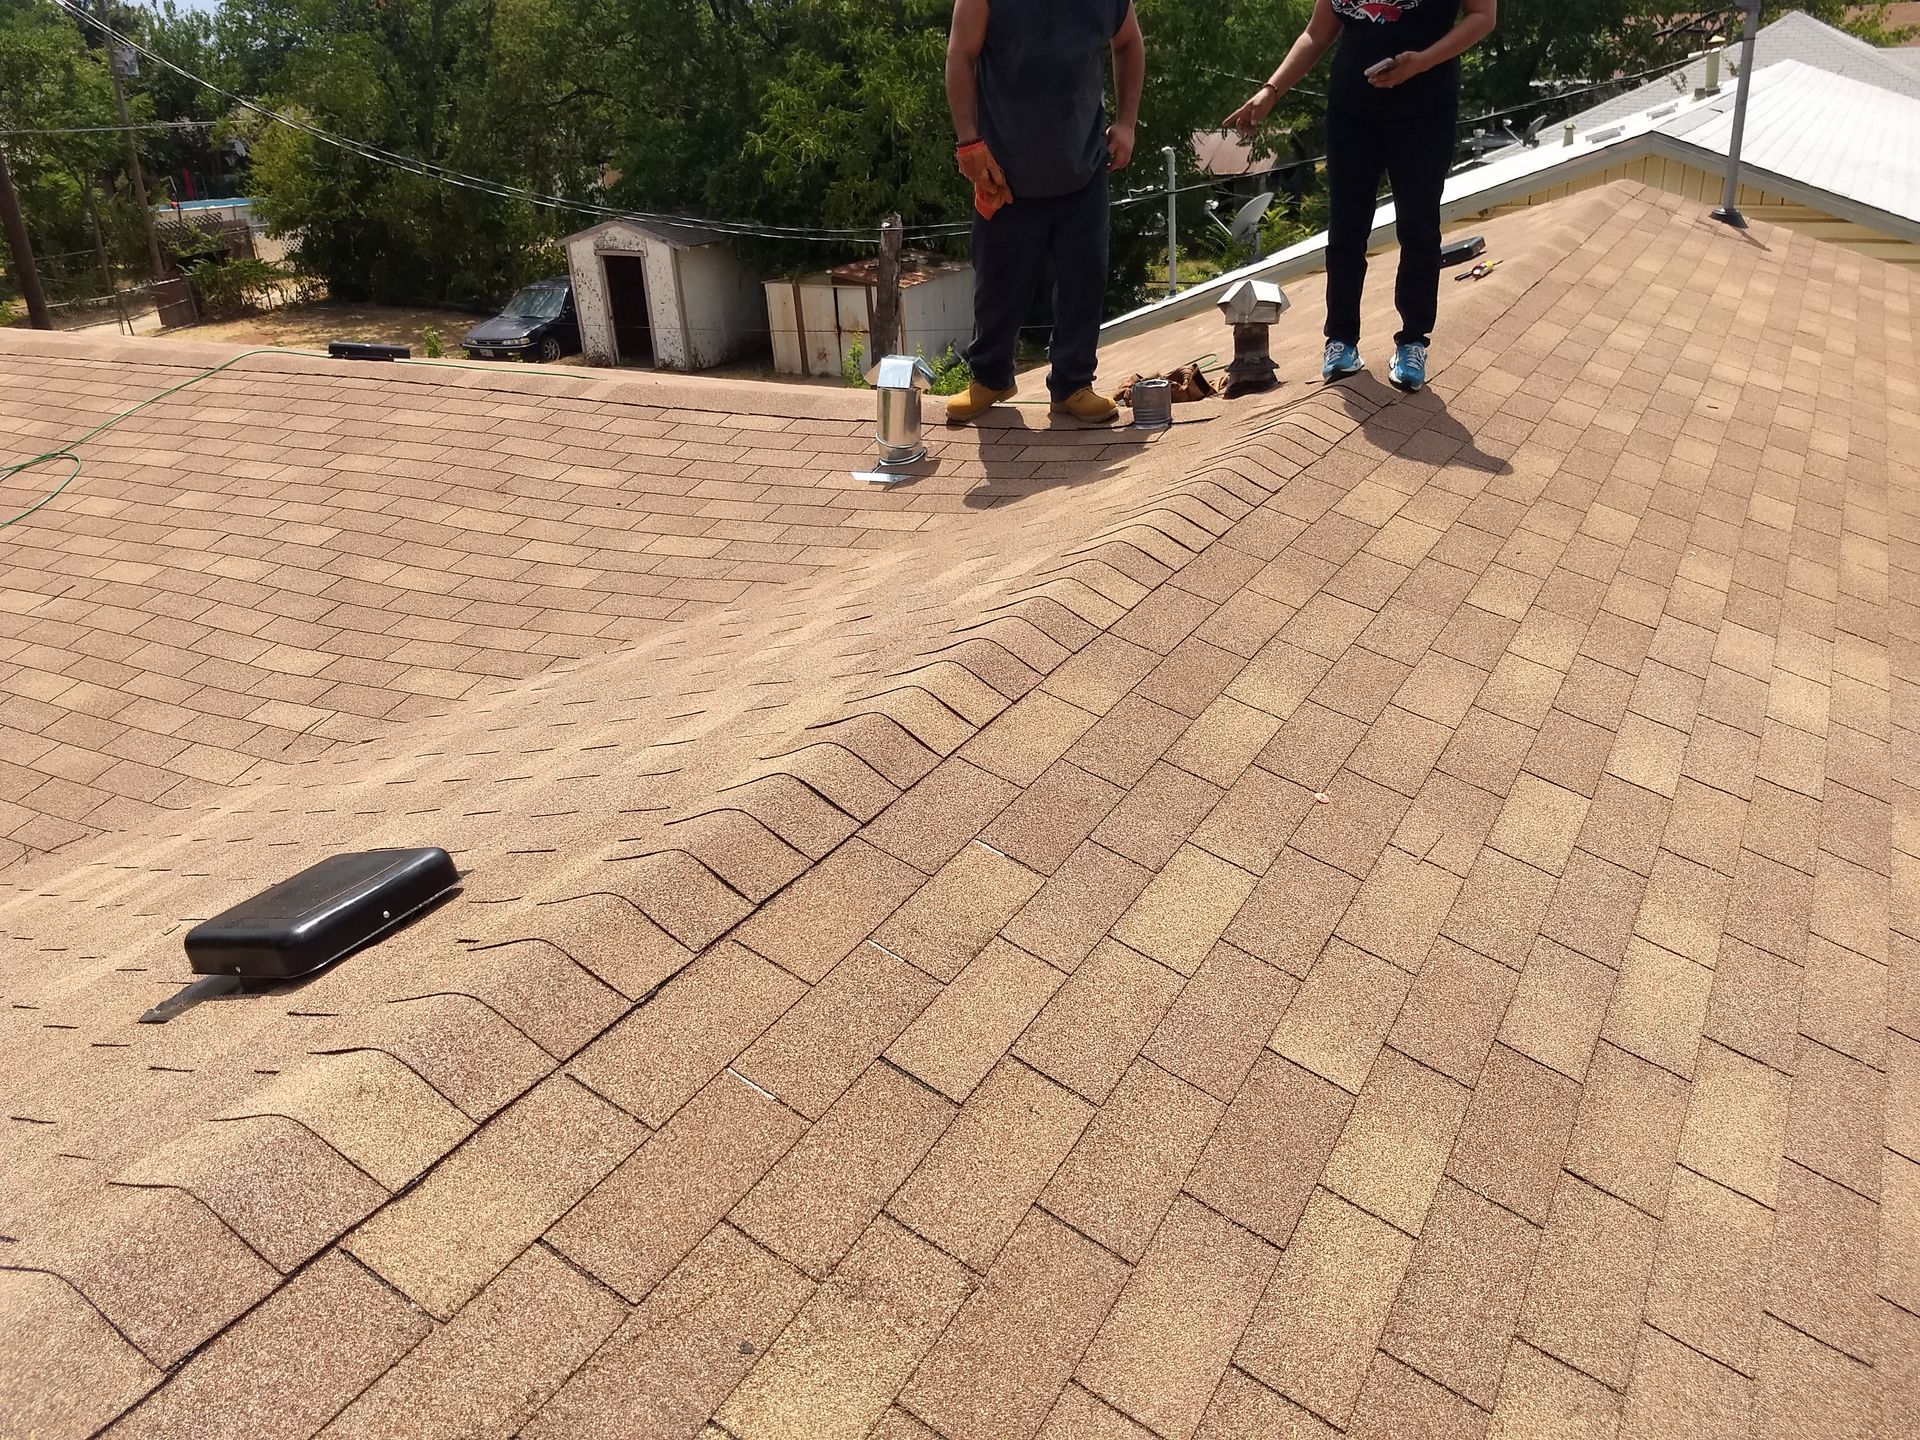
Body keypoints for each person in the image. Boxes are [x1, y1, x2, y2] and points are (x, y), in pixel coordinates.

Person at [1228, 0, 1497, 392]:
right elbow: (1316, 32)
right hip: (1351, 110)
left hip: (1425, 109)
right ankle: (1340, 341)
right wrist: (1271, 91)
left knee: (1418, 227)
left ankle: (1413, 341)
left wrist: (1422, 61)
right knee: (1346, 229)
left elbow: (1483, 17)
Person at [943, 0, 1147, 425]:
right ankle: (991, 378)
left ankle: (1073, 385)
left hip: (1083, 167)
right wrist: (968, 141)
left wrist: (1127, 123)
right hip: (1003, 175)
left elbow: (1129, 42)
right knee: (997, 281)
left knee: (1084, 280)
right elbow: (960, 54)